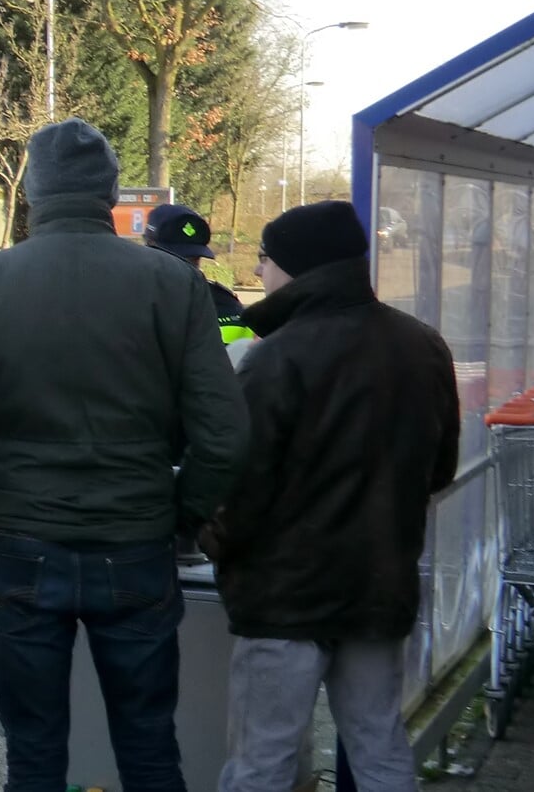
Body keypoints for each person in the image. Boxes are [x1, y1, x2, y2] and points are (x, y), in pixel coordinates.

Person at [0, 117, 250, 792]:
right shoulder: (172, 284)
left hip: (19, 538)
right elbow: (224, 433)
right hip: (137, 537)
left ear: (32, 190)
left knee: (33, 753)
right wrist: (181, 515)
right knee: (149, 745)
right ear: (110, 193)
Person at [205, 202, 460, 792]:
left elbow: (238, 488)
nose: (260, 271)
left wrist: (213, 541)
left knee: (261, 760)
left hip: (282, 599)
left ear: (294, 267)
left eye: (265, 258)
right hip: (378, 588)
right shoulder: (423, 346)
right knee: (378, 745)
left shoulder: (273, 357)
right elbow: (439, 467)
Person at [144, 203, 252, 347]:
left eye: (194, 260)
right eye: (176, 259)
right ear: (148, 247)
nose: (187, 269)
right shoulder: (129, 299)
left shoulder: (225, 305)